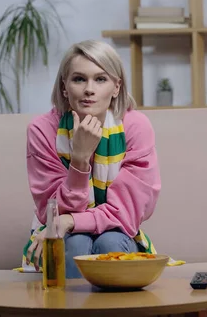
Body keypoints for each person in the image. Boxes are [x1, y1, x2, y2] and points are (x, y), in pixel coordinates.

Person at [21, 39, 162, 279]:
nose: (89, 89)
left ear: (116, 87)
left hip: (118, 233)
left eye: (100, 79)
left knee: (110, 243)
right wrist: (79, 159)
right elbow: (51, 214)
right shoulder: (42, 130)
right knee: (75, 244)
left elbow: (126, 214)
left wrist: (69, 221)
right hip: (62, 238)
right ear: (64, 87)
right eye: (79, 79)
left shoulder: (136, 127)